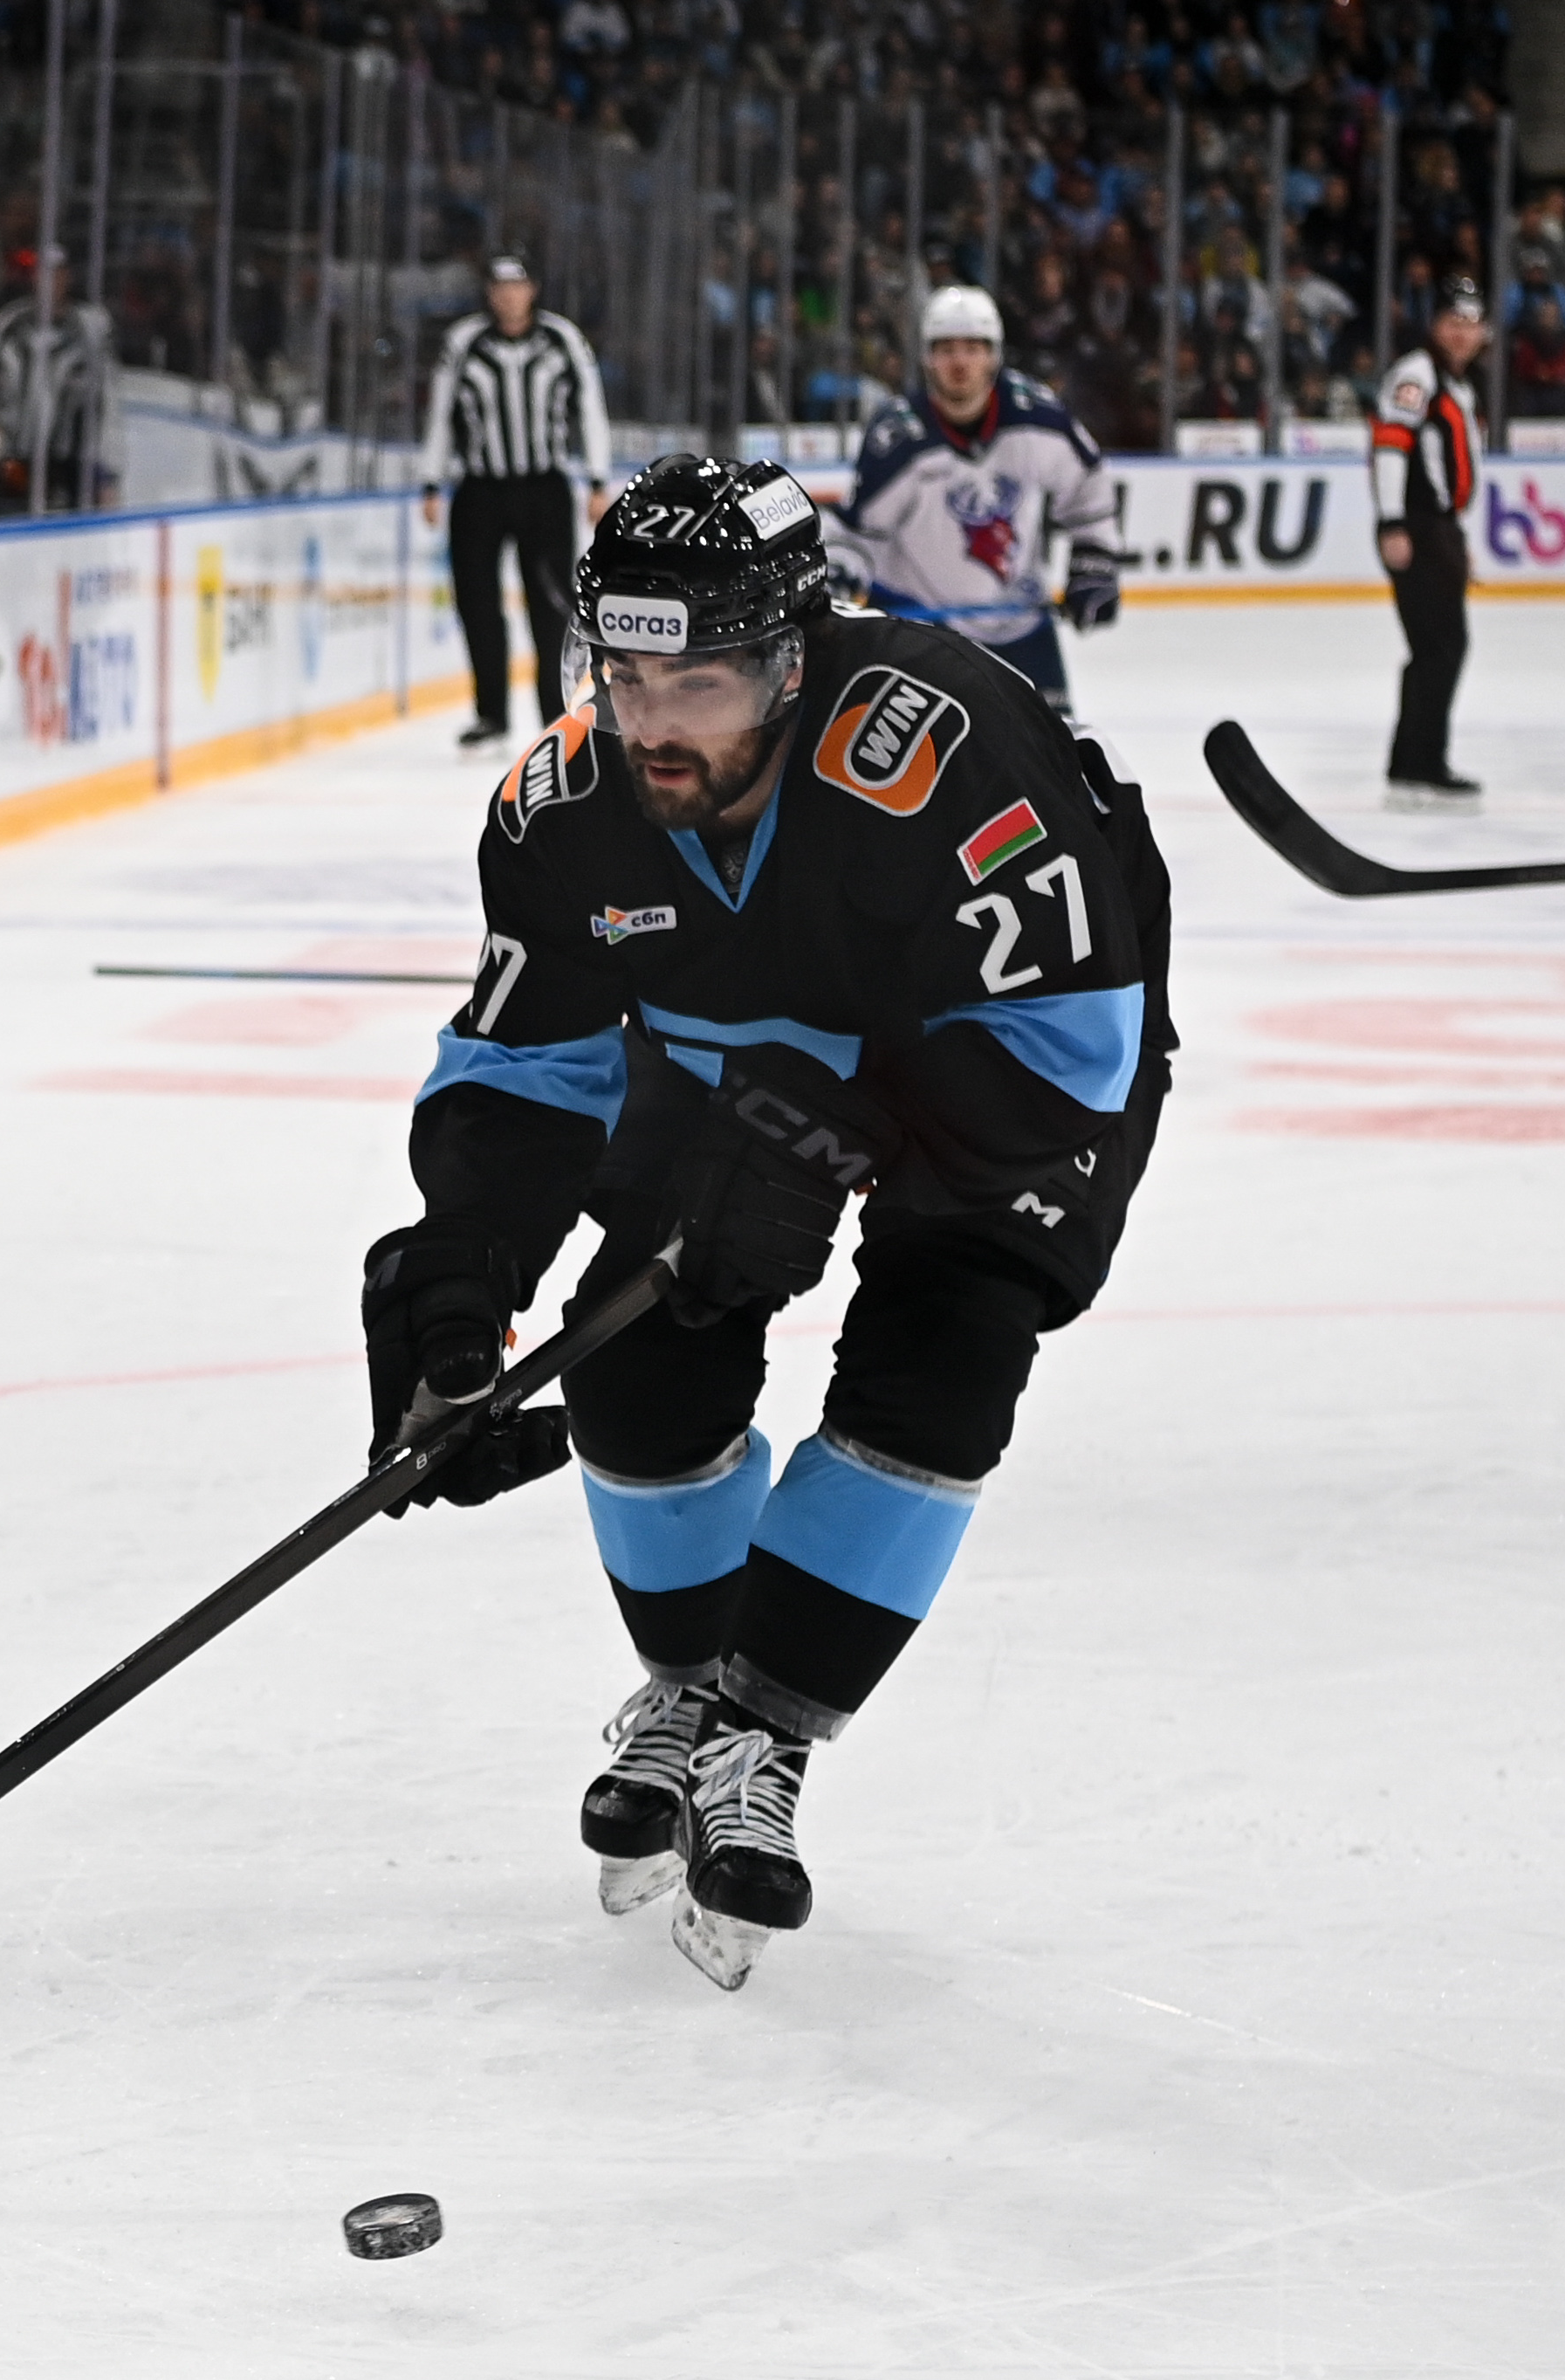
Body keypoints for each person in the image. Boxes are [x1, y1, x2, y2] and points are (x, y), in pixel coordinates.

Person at [360, 453, 1174, 1993]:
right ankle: (692, 1692)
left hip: (1000, 1062)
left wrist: (832, 1131)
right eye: (626, 679)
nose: (653, 724)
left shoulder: (942, 750)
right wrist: (461, 1271)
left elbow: (1068, 1054)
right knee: (630, 1354)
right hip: (744, 1052)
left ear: (791, 663)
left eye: (701, 682)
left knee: (950, 1338)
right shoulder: (562, 808)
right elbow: (528, 1065)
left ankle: (766, 1728)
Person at [825, 284, 1123, 712]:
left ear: (994, 355)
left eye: (973, 348)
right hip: (921, 630)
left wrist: (1095, 560)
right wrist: (840, 574)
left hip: (1020, 622)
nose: (960, 362)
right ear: (927, 358)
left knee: (1058, 747)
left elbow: (1088, 489)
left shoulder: (1038, 418)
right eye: (946, 349)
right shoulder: (899, 440)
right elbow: (857, 531)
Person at [417, 253, 615, 749]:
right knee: (477, 603)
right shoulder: (464, 342)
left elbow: (590, 407)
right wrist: (431, 482)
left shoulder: (562, 339)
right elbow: (441, 413)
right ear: (489, 292)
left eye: (518, 285)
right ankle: (492, 714)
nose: (509, 296)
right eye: (500, 287)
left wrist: (598, 479)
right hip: (480, 489)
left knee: (550, 604)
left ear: (533, 289)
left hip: (544, 488)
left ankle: (555, 711)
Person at [1374, 278, 1487, 808]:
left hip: (1437, 528)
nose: (1463, 333)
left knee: (1439, 647)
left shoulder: (1458, 384)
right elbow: (1390, 447)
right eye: (1453, 322)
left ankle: (1414, 759)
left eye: (1472, 323)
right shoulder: (1417, 375)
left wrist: (1457, 537)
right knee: (1441, 646)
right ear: (1435, 325)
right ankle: (1421, 761)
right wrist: (1391, 523)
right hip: (1417, 526)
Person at [0, 246, 115, 517]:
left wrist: (108, 475)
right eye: (43, 273)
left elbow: (107, 405)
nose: (50, 282)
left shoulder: (89, 329)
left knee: (68, 522)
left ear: (67, 277)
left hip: (69, 464)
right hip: (16, 461)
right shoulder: (10, 325)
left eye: (57, 273)